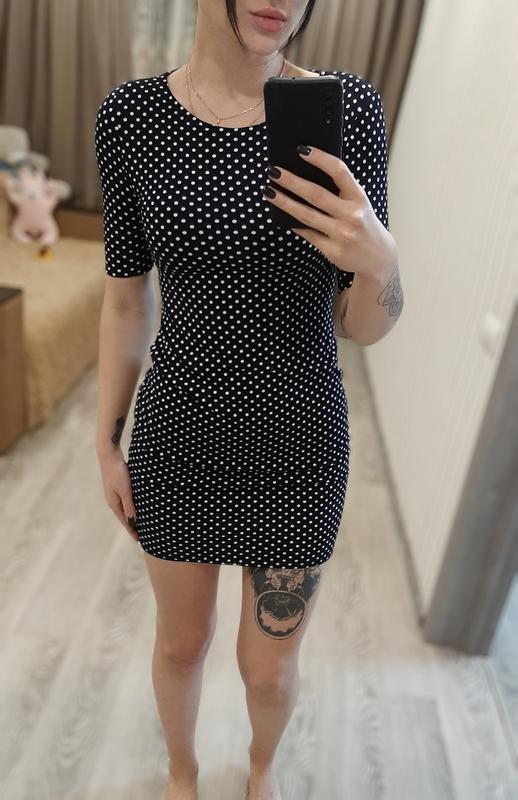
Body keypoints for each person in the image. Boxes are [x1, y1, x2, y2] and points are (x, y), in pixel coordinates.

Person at [94, 1, 403, 798]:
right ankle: (182, 772)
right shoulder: (131, 117)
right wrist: (105, 442)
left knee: (269, 672)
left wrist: (380, 261)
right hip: (177, 433)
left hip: (300, 437)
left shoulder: (349, 110)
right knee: (180, 645)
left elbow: (362, 327)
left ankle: (262, 768)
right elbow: (125, 300)